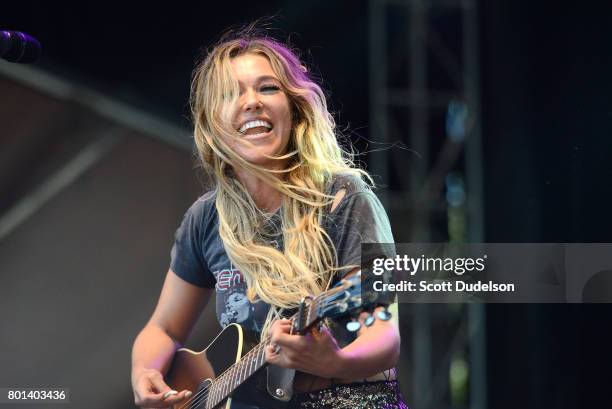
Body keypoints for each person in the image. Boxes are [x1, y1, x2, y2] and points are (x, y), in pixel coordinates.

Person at [131, 26, 407, 409]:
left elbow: (384, 335)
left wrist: (336, 361)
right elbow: (162, 329)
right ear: (213, 125)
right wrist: (144, 373)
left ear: (294, 109)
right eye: (232, 93)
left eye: (267, 88)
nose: (251, 102)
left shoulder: (342, 198)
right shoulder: (206, 218)